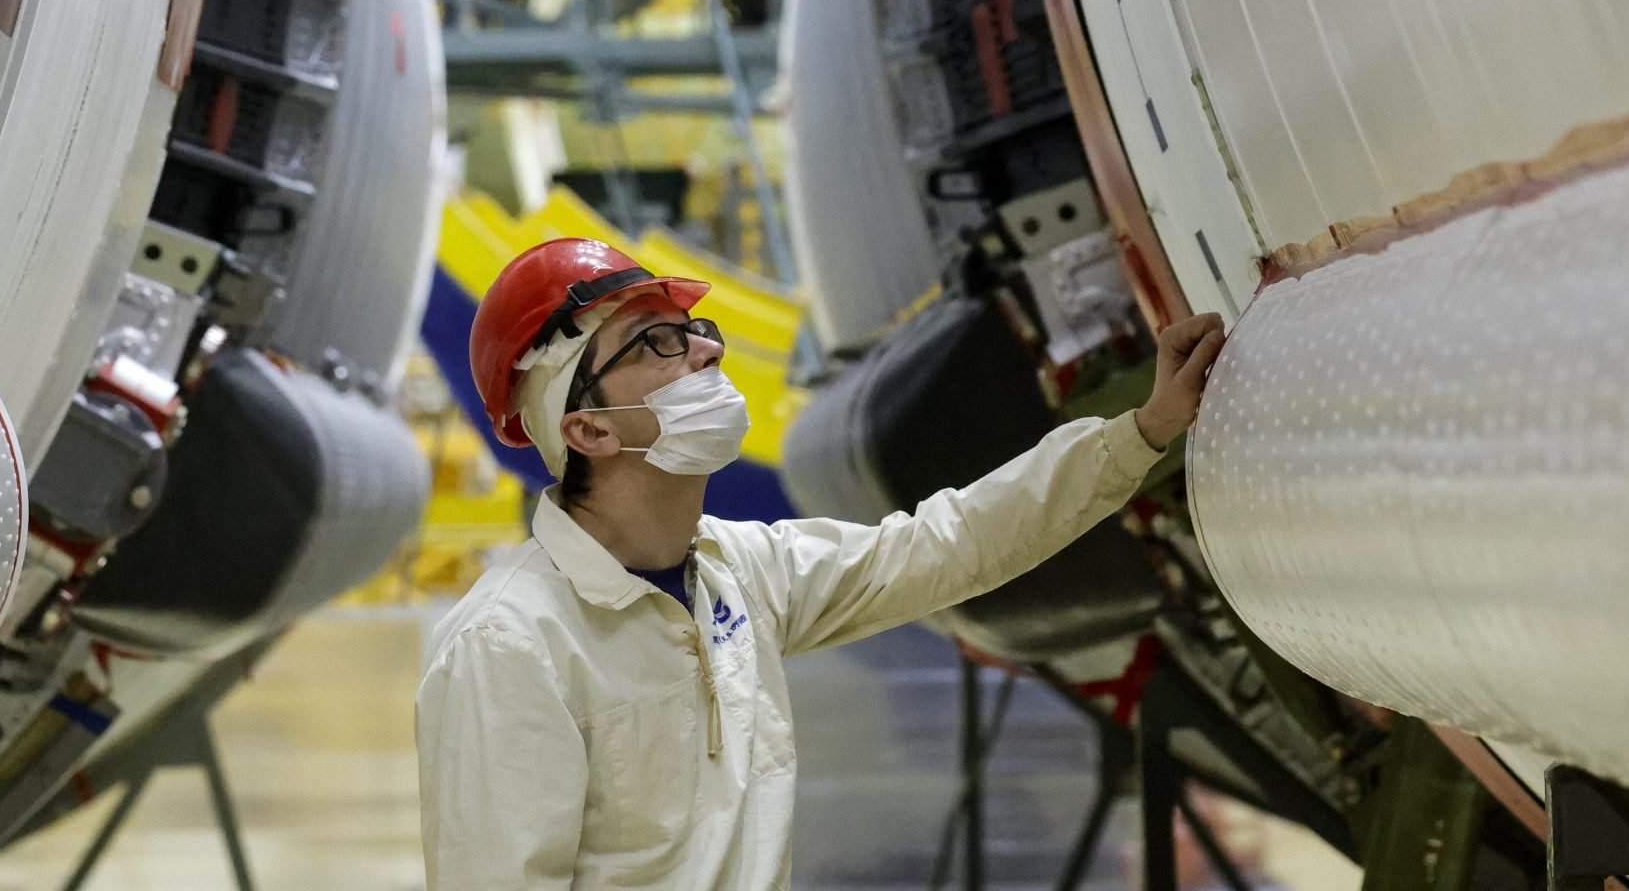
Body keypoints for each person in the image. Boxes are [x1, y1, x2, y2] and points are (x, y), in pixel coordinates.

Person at [416, 236, 1226, 890]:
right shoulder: (510, 647)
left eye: (697, 330)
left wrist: (1142, 433)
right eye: (656, 341)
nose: (702, 353)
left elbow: (948, 544)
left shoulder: (740, 573)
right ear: (589, 429)